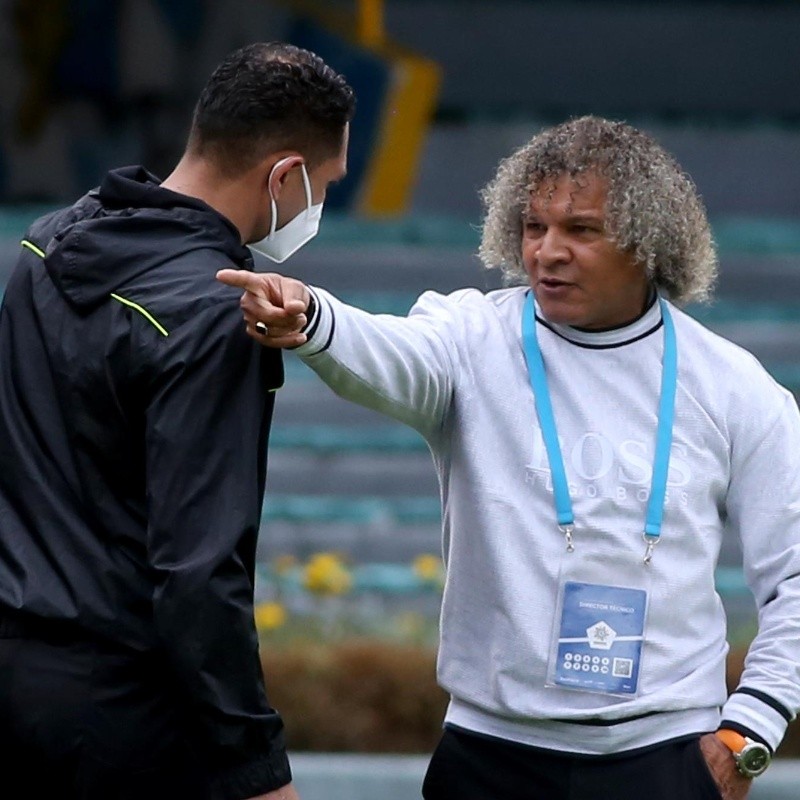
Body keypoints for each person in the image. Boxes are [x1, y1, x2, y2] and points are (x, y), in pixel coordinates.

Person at [217, 115, 800, 800]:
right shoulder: (471, 336)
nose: (547, 252)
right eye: (532, 227)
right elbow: (390, 354)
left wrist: (749, 734)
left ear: (649, 242)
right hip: (492, 757)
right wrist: (312, 317)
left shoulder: (732, 385)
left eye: (581, 230)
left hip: (665, 756)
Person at [0, 41, 353, 800]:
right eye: (324, 187)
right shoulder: (222, 315)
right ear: (285, 176)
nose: (318, 208)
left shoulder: (41, 246)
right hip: (127, 719)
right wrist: (256, 766)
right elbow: (199, 571)